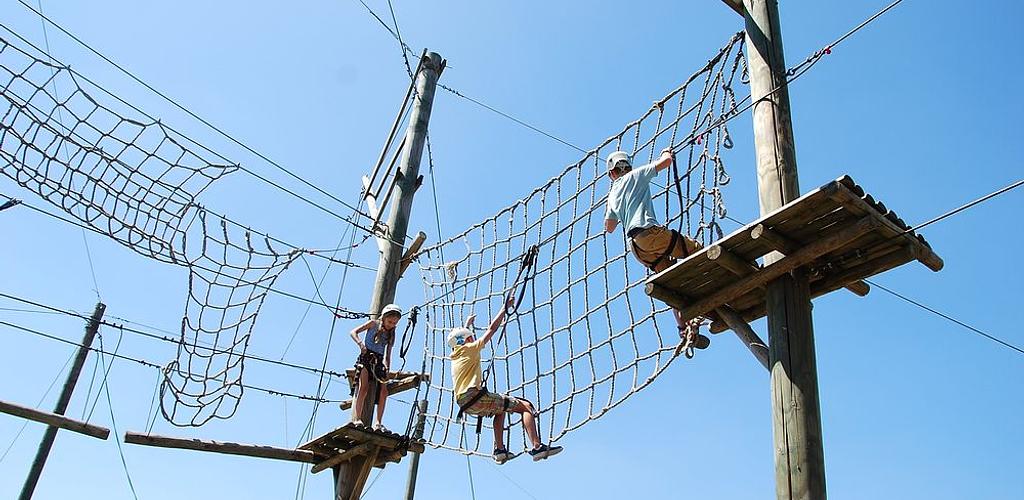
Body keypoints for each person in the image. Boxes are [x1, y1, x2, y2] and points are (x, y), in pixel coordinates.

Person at [604, 148, 710, 350]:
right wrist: (666, 151)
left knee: (670, 282)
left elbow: (609, 227)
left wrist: (620, 207)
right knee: (694, 249)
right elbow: (666, 162)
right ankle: (713, 279)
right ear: (628, 167)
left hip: (636, 248)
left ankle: (684, 327)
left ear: (611, 174)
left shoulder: (612, 194)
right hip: (649, 233)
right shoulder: (636, 175)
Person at [449, 294, 563, 464]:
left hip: (464, 404)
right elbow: (491, 330)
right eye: (470, 336)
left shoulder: (455, 355)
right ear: (467, 340)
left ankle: (500, 450)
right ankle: (537, 447)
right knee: (526, 407)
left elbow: (461, 339)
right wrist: (504, 308)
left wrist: (466, 326)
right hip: (474, 396)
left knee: (500, 408)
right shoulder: (471, 349)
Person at [349, 303, 402, 431]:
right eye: (390, 321)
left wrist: (387, 368)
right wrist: (361, 344)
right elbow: (353, 332)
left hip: (379, 362)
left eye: (394, 323)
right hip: (366, 358)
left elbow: (388, 354)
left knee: (384, 392)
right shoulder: (373, 324)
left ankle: (378, 422)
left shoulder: (391, 334)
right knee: (364, 388)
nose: (391, 325)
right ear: (383, 317)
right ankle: (357, 418)